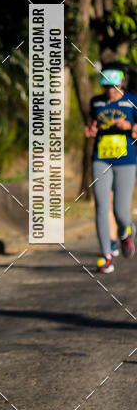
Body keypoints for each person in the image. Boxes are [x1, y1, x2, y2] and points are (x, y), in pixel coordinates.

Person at [84, 65, 137, 273]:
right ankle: (106, 256)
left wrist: (130, 128)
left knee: (120, 211)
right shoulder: (96, 102)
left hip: (126, 160)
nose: (110, 91)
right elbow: (91, 125)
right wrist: (90, 130)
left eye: (113, 86)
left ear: (121, 83)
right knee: (101, 207)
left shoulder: (132, 101)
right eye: (106, 87)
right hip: (101, 159)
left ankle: (126, 232)